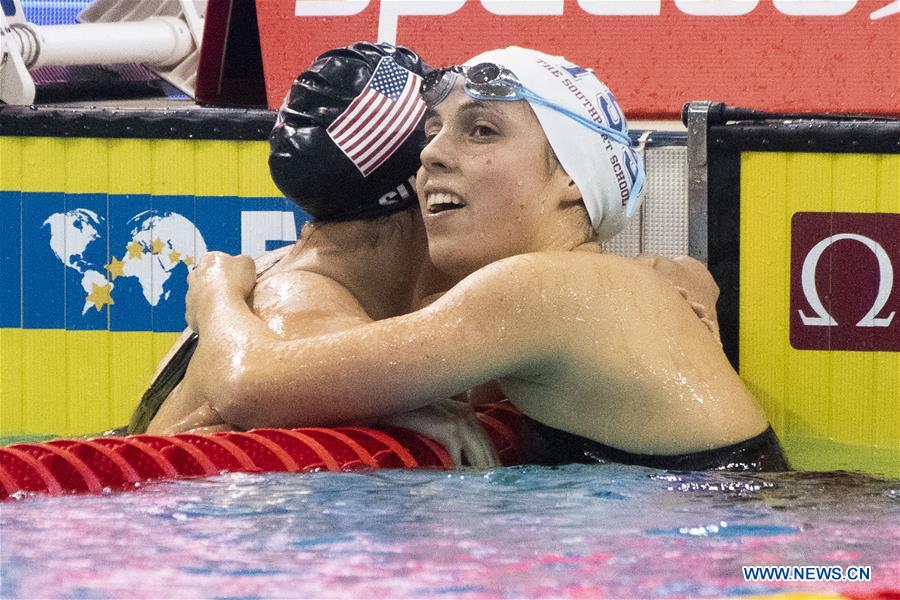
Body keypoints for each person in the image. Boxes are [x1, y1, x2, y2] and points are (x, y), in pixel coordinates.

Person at [157, 47, 787, 471]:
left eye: (481, 130)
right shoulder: (594, 288)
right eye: (434, 130)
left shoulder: (536, 290)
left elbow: (248, 384)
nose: (430, 155)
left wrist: (215, 291)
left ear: (573, 179)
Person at [138, 41, 496, 466]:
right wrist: (390, 400)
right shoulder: (303, 309)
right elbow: (251, 384)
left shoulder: (299, 277)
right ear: (423, 193)